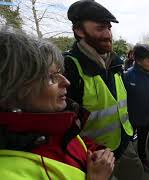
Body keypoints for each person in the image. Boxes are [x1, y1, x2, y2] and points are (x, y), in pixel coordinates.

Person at [0, 28, 114, 179]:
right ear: (13, 90)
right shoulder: (8, 173)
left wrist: (99, 153)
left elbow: (73, 144)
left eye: (60, 73)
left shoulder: (55, 123)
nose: (66, 82)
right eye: (50, 77)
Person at [64, 0, 143, 179]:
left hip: (124, 144)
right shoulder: (69, 68)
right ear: (79, 31)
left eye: (109, 28)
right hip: (94, 157)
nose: (108, 34)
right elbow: (65, 127)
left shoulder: (115, 63)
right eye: (100, 28)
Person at [124, 44, 149, 172]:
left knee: (142, 141)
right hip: (130, 120)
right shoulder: (127, 76)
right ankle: (131, 163)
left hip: (147, 116)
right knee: (128, 145)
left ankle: (143, 158)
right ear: (137, 61)